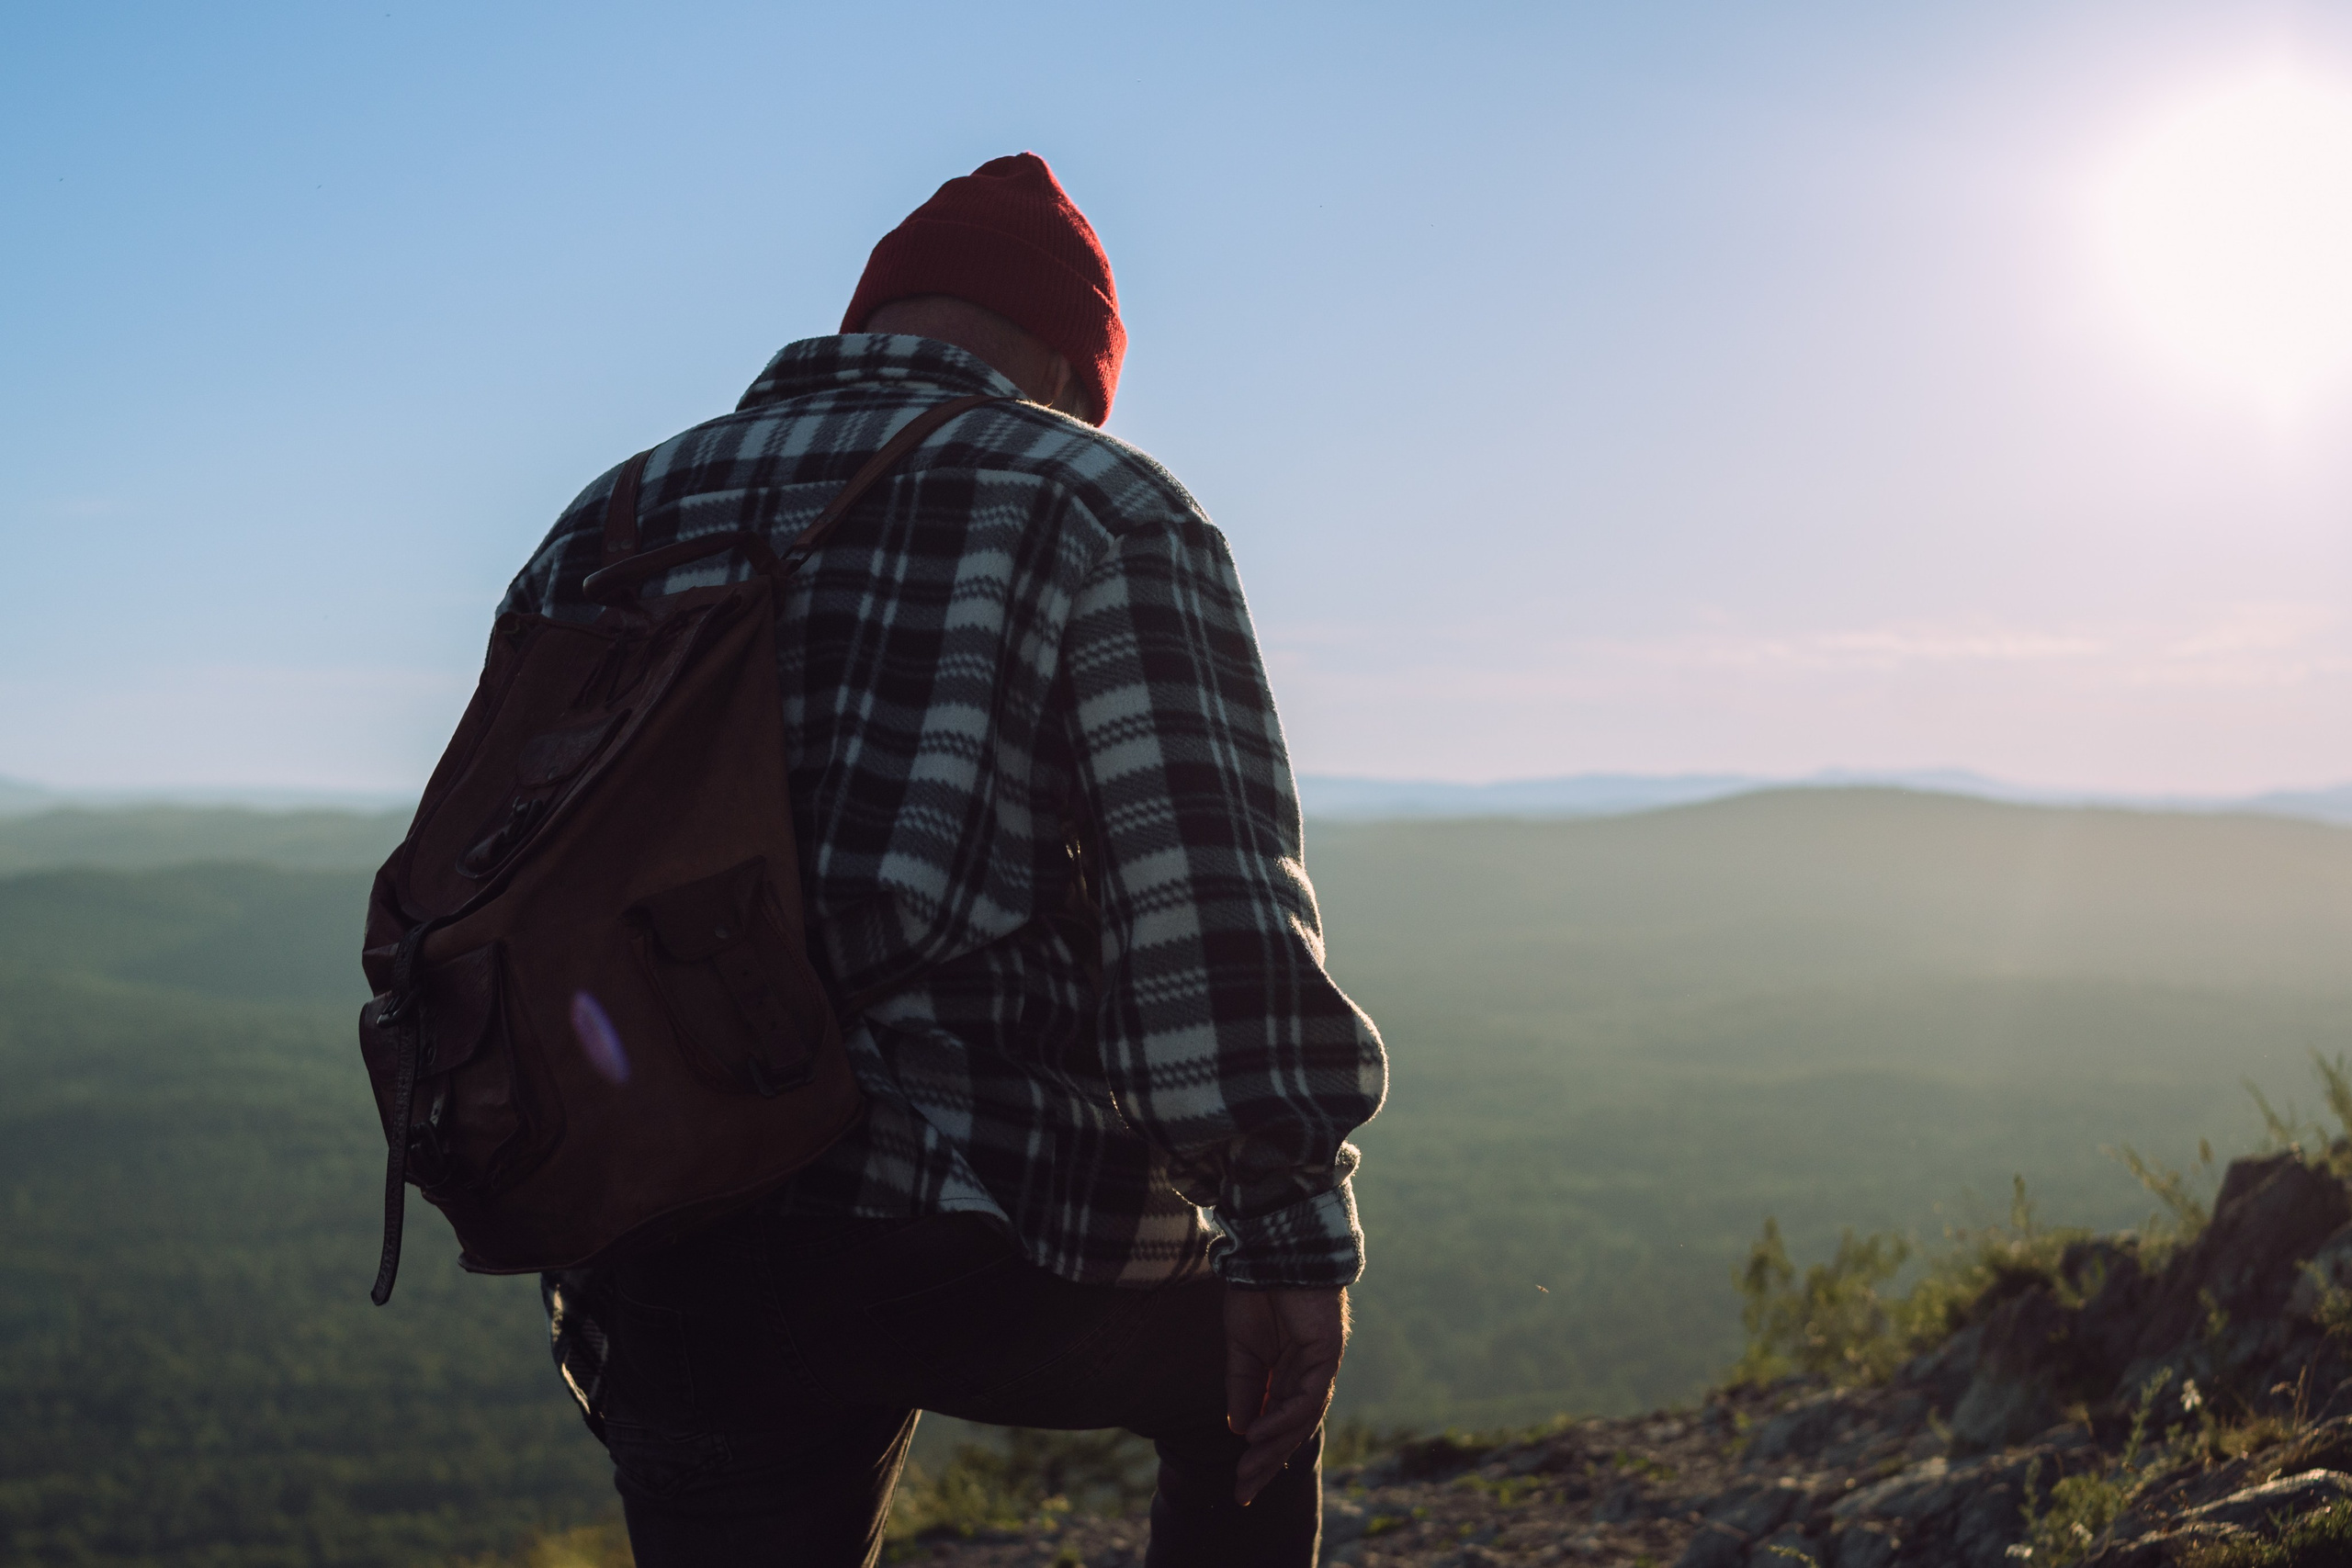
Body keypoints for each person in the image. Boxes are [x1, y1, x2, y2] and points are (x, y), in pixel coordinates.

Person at [505, 152, 1388, 1568]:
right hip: (971, 1214)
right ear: (1063, 362)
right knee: (1245, 1393)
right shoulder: (1098, 504)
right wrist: (1287, 1222)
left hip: (663, 1217)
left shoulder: (612, 519)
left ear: (873, 320)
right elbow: (1202, 909)